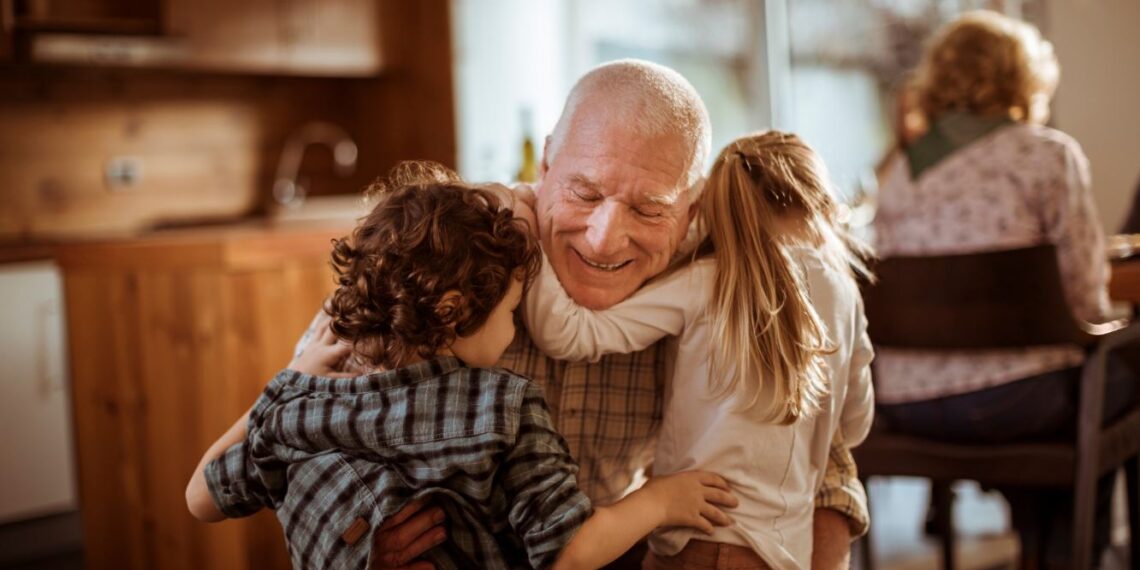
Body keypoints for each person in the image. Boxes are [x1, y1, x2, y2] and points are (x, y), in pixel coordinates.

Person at [293, 60, 869, 569]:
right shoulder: (449, 250)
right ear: (545, 164)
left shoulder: (711, 278)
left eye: (648, 208)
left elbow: (828, 464)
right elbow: (294, 434)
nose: (603, 238)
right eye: (585, 194)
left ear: (690, 210)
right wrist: (355, 544)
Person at [185, 165, 739, 569]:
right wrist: (663, 499)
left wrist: (287, 385)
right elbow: (570, 550)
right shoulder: (502, 408)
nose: (515, 327)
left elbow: (200, 499)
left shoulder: (306, 403)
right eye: (511, 312)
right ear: (454, 311)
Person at [522, 131, 875, 569]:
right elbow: (856, 425)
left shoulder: (706, 280)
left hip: (695, 540)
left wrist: (528, 231)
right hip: (785, 553)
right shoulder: (845, 294)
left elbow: (565, 333)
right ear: (820, 204)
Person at [872, 11, 1134, 568]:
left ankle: (1047, 549)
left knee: (1068, 386)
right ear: (1024, 79)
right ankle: (1080, 554)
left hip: (907, 403)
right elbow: (1085, 301)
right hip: (1016, 403)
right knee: (1119, 372)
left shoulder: (898, 172)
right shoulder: (1046, 154)